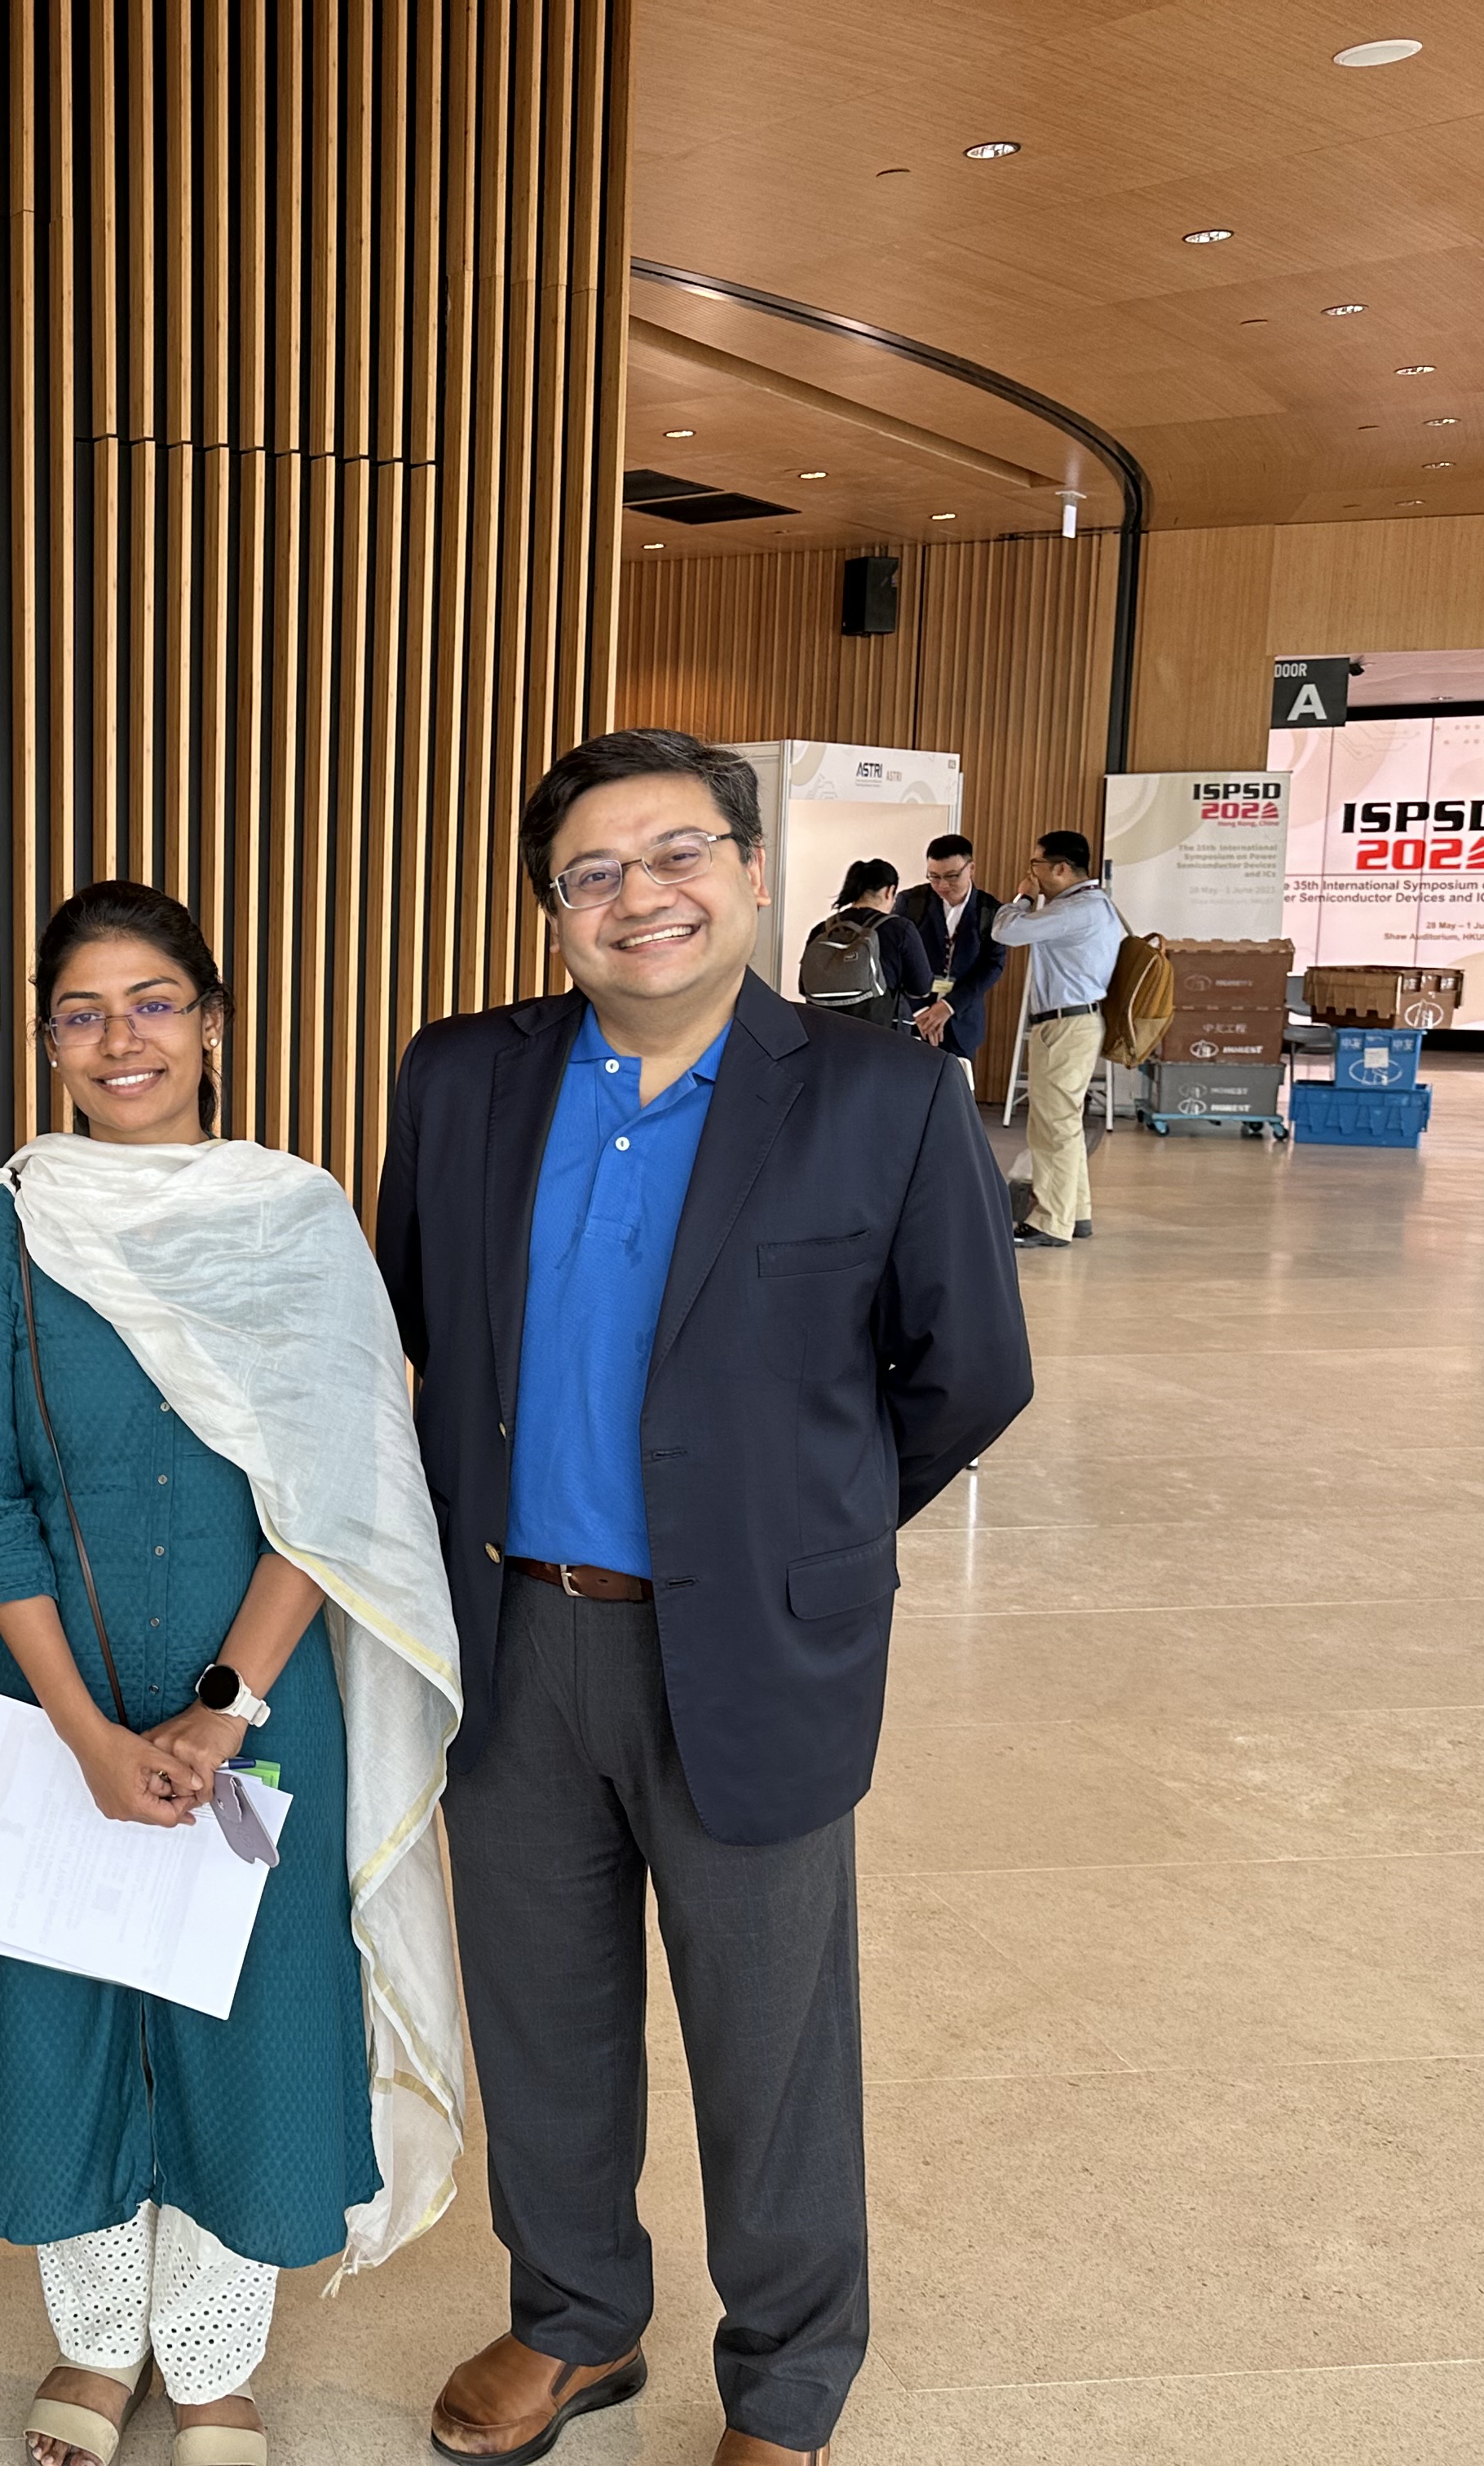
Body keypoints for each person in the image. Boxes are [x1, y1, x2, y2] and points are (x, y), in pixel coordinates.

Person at [376, 728, 1031, 2466]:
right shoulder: (462, 1080)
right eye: (592, 872)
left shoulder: (884, 1097)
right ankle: (575, 2319)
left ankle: (793, 2373)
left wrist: (801, 1532)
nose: (638, 897)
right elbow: (413, 1331)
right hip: (514, 1634)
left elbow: (968, 1372)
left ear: (749, 872)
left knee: (771, 2038)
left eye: (676, 855)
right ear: (551, 911)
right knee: (543, 2010)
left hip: (748, 1648)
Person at [0, 883, 467, 2466]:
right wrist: (89, 1732)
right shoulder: (2, 1228)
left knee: (249, 2007)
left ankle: (215, 2358)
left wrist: (223, 1707)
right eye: (82, 1012)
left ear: (214, 1020)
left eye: (153, 1001)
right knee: (62, 1997)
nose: (120, 1038)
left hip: (263, 1688)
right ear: (45, 1042)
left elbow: (340, 1485)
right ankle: (96, 2349)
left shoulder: (297, 1221)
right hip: (53, 1693)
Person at [990, 829, 1125, 1250]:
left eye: (1037, 864)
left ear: (1061, 869)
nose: (1032, 872)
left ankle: (1051, 1220)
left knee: (1054, 1127)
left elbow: (1006, 932)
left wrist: (1023, 897)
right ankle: (1075, 1212)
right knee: (1060, 1122)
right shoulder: (1088, 905)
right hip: (1069, 1025)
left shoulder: (1077, 910)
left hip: (1067, 1027)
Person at [896, 833, 1007, 1058]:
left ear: (971, 868)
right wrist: (920, 1011)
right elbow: (896, 960)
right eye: (934, 877)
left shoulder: (990, 910)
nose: (942, 885)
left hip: (961, 1020)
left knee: (957, 1088)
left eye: (952, 876)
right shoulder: (911, 902)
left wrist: (947, 1006)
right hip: (913, 1018)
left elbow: (992, 965)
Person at [793, 859, 930, 1031]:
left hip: (824, 1035)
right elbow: (921, 987)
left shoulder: (820, 930)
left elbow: (804, 987)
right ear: (890, 891)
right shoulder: (900, 929)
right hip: (879, 1039)